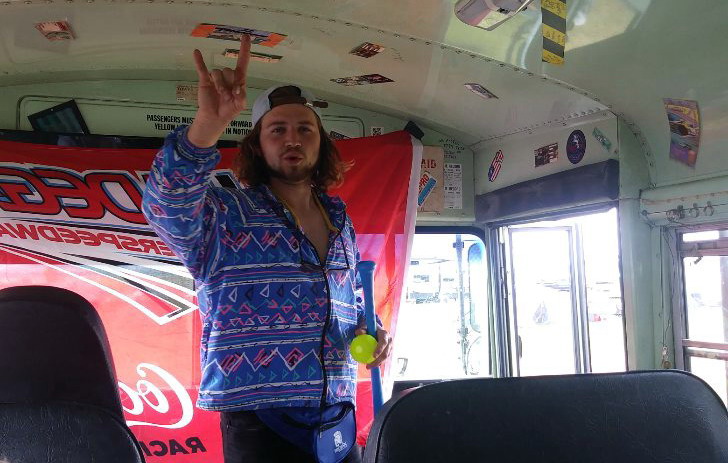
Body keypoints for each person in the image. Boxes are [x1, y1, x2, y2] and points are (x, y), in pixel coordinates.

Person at [142, 36, 392, 462]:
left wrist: (370, 329)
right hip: (259, 418)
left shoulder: (339, 218)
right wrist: (208, 124)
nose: (292, 139)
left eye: (304, 129)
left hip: (336, 408)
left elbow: (346, 300)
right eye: (278, 130)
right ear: (258, 146)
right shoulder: (227, 215)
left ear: (321, 142)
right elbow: (166, 203)